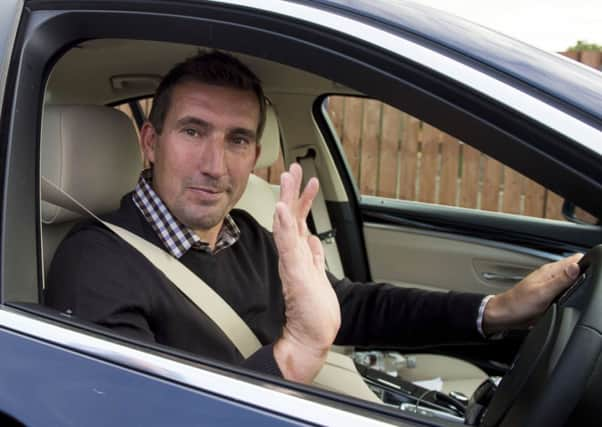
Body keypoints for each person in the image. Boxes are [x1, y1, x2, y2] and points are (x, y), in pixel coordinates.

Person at [45, 51, 582, 384]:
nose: (214, 165)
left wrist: (496, 310)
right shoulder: (96, 261)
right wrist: (296, 354)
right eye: (192, 131)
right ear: (150, 142)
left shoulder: (249, 235)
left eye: (237, 140)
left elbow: (351, 306)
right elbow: (129, 412)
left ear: (255, 156)